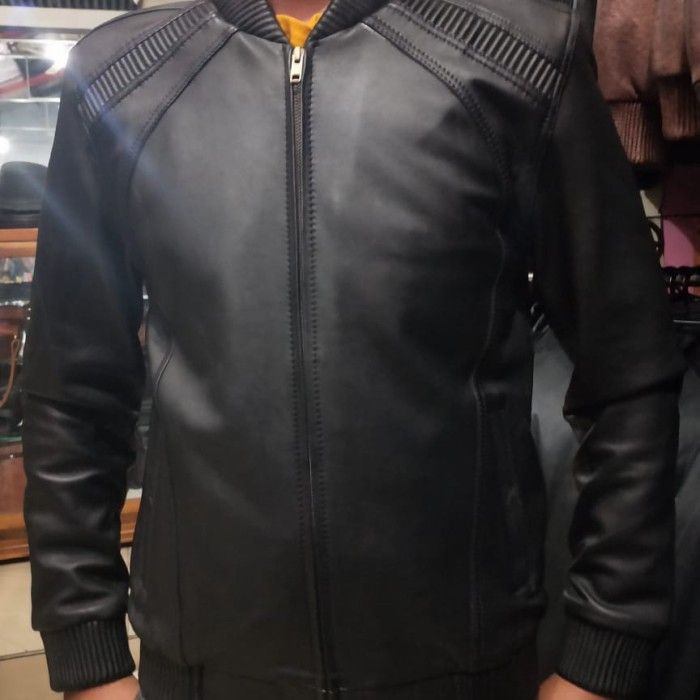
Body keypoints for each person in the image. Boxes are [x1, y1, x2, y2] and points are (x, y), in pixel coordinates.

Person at [20, 0, 686, 698]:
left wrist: (603, 650)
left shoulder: (519, 58)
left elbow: (629, 373)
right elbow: (70, 392)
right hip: (203, 672)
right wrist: (87, 655)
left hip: (464, 669)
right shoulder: (121, 78)